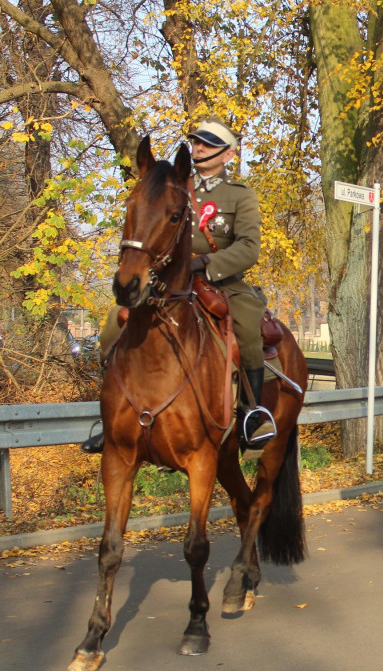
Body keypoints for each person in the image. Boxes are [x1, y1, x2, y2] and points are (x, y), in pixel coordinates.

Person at [82, 117, 273, 453]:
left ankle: (251, 414)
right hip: (166, 281)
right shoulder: (170, 186)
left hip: (219, 282)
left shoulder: (240, 195)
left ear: (228, 156)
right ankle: (113, 415)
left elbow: (249, 247)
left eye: (209, 145)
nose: (200, 148)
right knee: (114, 324)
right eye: (197, 142)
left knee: (246, 330)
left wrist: (205, 263)